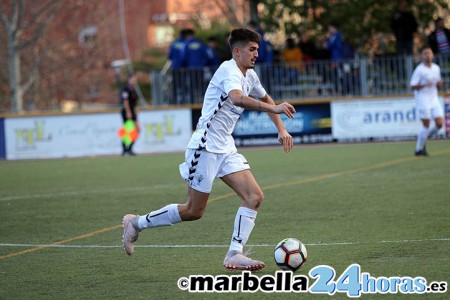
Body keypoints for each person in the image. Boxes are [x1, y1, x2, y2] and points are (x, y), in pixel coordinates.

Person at [122, 28, 296, 271]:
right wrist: (276, 110)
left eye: (257, 49)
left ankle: (234, 253)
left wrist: (281, 130)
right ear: (237, 51)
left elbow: (268, 102)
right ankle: (136, 223)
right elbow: (237, 98)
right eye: (252, 49)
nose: (257, 54)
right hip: (205, 146)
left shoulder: (250, 76)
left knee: (254, 197)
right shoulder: (228, 70)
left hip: (225, 146)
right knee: (194, 211)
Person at [410, 47, 444, 156]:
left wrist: (439, 84)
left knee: (439, 124)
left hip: (434, 98)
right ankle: (419, 149)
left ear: (433, 55)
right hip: (423, 99)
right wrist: (424, 85)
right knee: (426, 124)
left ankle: (423, 137)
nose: (428, 55)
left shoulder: (436, 68)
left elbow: (438, 81)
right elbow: (412, 86)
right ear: (422, 56)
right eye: (425, 53)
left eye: (429, 53)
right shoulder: (419, 70)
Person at [120, 73, 140, 156]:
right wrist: (128, 112)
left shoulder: (134, 89)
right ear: (129, 80)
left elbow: (134, 102)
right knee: (127, 131)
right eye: (133, 80)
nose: (134, 81)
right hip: (127, 112)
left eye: (135, 80)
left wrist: (135, 111)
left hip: (132, 113)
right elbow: (125, 101)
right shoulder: (126, 89)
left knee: (137, 130)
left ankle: (129, 148)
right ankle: (125, 149)